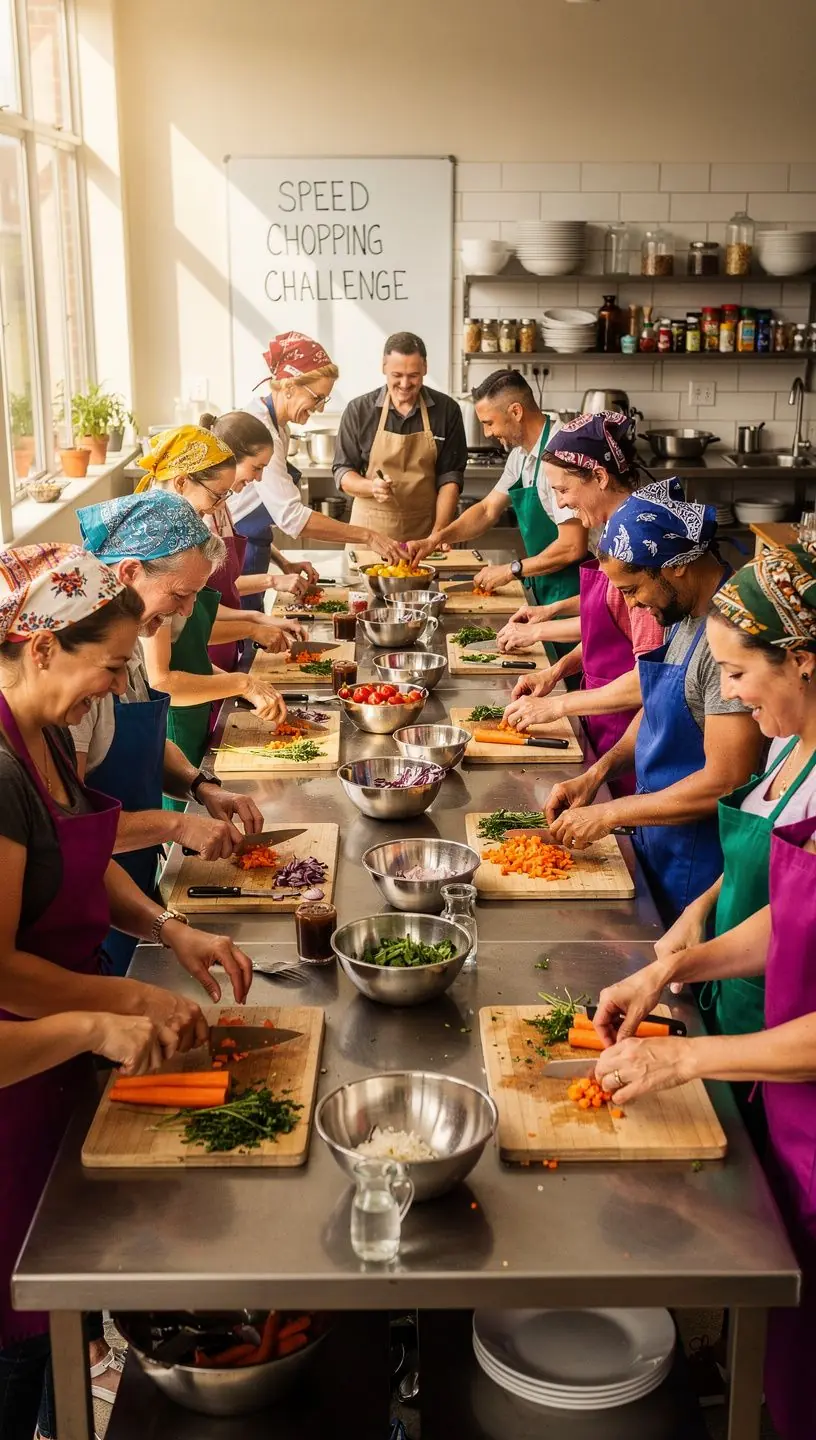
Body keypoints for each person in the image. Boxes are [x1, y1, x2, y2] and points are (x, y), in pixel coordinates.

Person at [0, 543, 252, 1440]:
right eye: (110, 664)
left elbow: (84, 855)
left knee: (56, 1303)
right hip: (16, 1072)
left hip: (59, 1044)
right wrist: (114, 1010)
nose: (119, 681)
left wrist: (165, 927)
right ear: (40, 649)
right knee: (18, 1325)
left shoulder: (47, 737)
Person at [545, 482, 764, 926]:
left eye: (632, 589)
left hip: (698, 864)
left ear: (676, 567)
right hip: (660, 844)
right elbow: (659, 709)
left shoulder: (727, 642)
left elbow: (725, 780)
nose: (633, 604)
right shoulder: (680, 615)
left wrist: (611, 812)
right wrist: (598, 775)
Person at [648, 545, 816, 1122]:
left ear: (801, 661)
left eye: (737, 673)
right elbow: (794, 912)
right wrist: (679, 955)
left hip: (792, 1059)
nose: (733, 694)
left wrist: (686, 1059)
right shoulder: (787, 741)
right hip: (749, 1032)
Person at [76, 490, 266, 975]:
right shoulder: (81, 672)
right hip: (89, 905)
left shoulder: (131, 635)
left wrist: (200, 786)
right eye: (180, 595)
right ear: (129, 572)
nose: (185, 613)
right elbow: (73, 833)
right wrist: (178, 824)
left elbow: (140, 743)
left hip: (134, 887)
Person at [499, 413, 664, 793]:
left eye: (563, 491)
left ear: (600, 477)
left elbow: (649, 679)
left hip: (634, 728)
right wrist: (556, 672)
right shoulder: (618, 530)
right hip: (605, 712)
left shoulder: (639, 544)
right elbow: (609, 621)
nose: (563, 505)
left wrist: (559, 705)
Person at [135, 427, 295, 784]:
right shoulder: (157, 558)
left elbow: (188, 652)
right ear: (180, 483)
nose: (221, 506)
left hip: (190, 718)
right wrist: (242, 684)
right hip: (169, 726)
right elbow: (161, 680)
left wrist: (246, 680)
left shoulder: (185, 542)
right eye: (217, 495)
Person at [230, 331, 401, 609]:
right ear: (288, 387)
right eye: (317, 397)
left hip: (254, 551)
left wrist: (282, 561)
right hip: (235, 559)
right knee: (240, 645)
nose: (319, 408)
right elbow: (291, 517)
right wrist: (368, 536)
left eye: (325, 400)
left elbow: (247, 506)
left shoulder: (279, 428)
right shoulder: (261, 431)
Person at [405, 369, 586, 619]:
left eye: (489, 423)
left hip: (577, 590)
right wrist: (435, 539)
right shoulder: (520, 456)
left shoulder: (561, 453)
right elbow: (487, 509)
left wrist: (511, 570)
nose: (488, 433)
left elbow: (572, 547)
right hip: (545, 583)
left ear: (515, 411)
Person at [334, 330, 468, 543]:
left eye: (413, 375)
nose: (405, 384)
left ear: (425, 368)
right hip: (370, 535)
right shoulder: (359, 410)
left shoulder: (447, 410)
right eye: (397, 375)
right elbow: (343, 471)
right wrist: (371, 487)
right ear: (384, 367)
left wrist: (438, 533)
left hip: (425, 533)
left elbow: (450, 477)